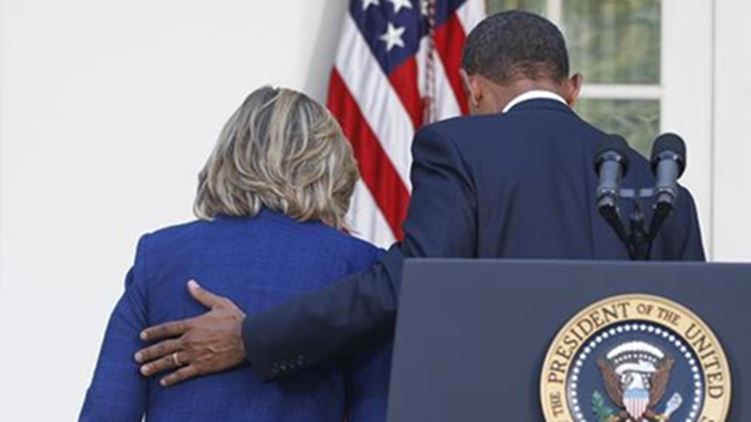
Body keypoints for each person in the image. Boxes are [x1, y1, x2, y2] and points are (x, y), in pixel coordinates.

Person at [134, 11, 704, 387]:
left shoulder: (458, 147)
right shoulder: (658, 186)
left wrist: (253, 337)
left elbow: (408, 283)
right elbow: (692, 333)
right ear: (573, 88)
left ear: (472, 87)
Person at [80, 86, 391, 421]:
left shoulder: (160, 255)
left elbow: (107, 410)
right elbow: (377, 410)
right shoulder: (364, 271)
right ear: (330, 169)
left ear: (227, 157)